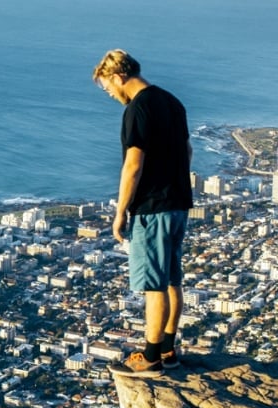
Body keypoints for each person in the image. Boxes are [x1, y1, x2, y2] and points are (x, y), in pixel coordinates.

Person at [93, 49, 193, 378]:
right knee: (172, 280)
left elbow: (133, 165)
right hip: (178, 202)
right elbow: (188, 150)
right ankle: (168, 349)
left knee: (154, 285)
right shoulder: (171, 101)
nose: (110, 93)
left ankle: (150, 357)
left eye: (108, 86)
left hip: (152, 207)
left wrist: (120, 212)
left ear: (118, 76)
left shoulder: (137, 108)